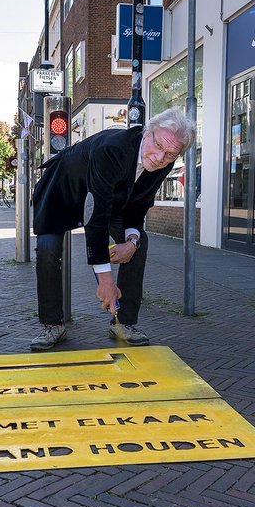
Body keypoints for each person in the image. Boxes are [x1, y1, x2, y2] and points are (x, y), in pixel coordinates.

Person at [30, 108, 195, 350]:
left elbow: (138, 206)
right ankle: (52, 324)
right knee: (47, 249)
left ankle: (123, 323)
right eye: (158, 145)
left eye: (170, 154)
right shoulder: (113, 150)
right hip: (63, 194)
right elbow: (95, 217)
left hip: (111, 199)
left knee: (141, 245)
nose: (160, 157)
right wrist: (105, 280)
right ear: (146, 133)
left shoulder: (163, 163)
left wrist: (131, 242)